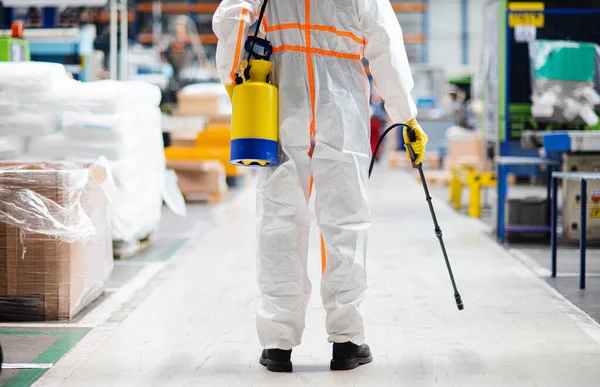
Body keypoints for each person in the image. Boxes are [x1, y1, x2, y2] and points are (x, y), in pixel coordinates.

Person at [213, 0, 428, 372]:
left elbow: (232, 16)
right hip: (341, 97)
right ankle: (346, 341)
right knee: (346, 218)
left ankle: (278, 344)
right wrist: (405, 114)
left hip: (281, 95)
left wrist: (234, 81)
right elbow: (384, 41)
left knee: (280, 219)